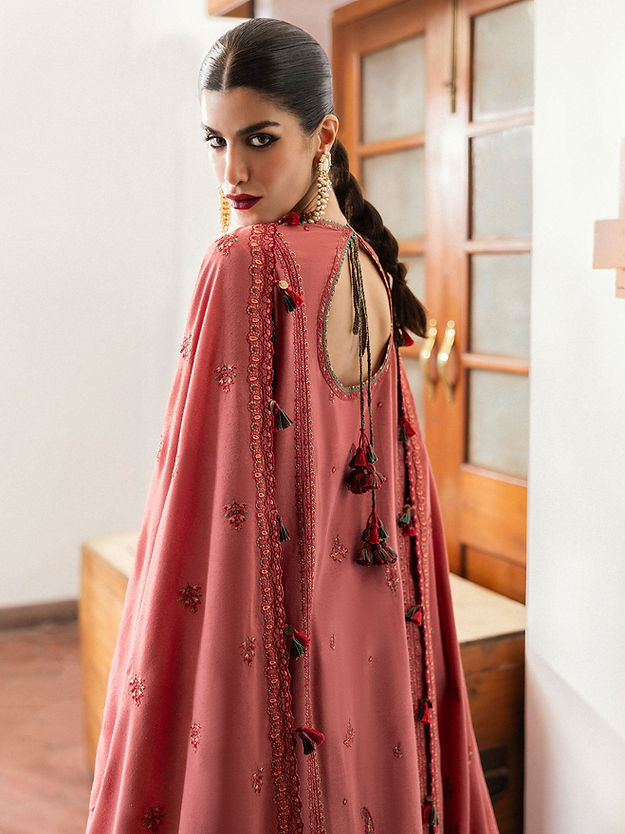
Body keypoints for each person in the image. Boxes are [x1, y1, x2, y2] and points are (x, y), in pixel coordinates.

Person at [86, 18, 499, 834]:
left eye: (260, 139)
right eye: (215, 141)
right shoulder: (367, 262)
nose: (232, 172)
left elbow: (200, 502)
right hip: (368, 629)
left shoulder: (243, 262)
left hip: (282, 633)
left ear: (323, 137)